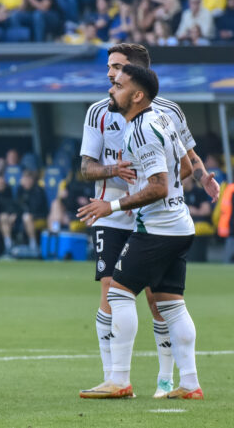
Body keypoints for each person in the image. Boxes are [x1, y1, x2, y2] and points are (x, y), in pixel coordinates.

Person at [79, 43, 218, 398]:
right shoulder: (157, 119)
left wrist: (114, 205)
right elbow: (183, 168)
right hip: (180, 223)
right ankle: (189, 383)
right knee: (172, 302)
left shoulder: (140, 128)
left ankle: (119, 379)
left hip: (154, 226)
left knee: (120, 294)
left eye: (119, 80)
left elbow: (158, 184)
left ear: (137, 92)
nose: (111, 84)